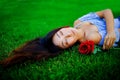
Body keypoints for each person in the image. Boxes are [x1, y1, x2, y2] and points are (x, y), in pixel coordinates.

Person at [0, 9, 120, 68]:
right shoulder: (91, 38)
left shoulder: (78, 22)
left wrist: (110, 31)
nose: (68, 35)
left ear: (61, 28)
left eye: (61, 33)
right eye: (65, 42)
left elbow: (106, 11)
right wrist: (112, 31)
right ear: (69, 46)